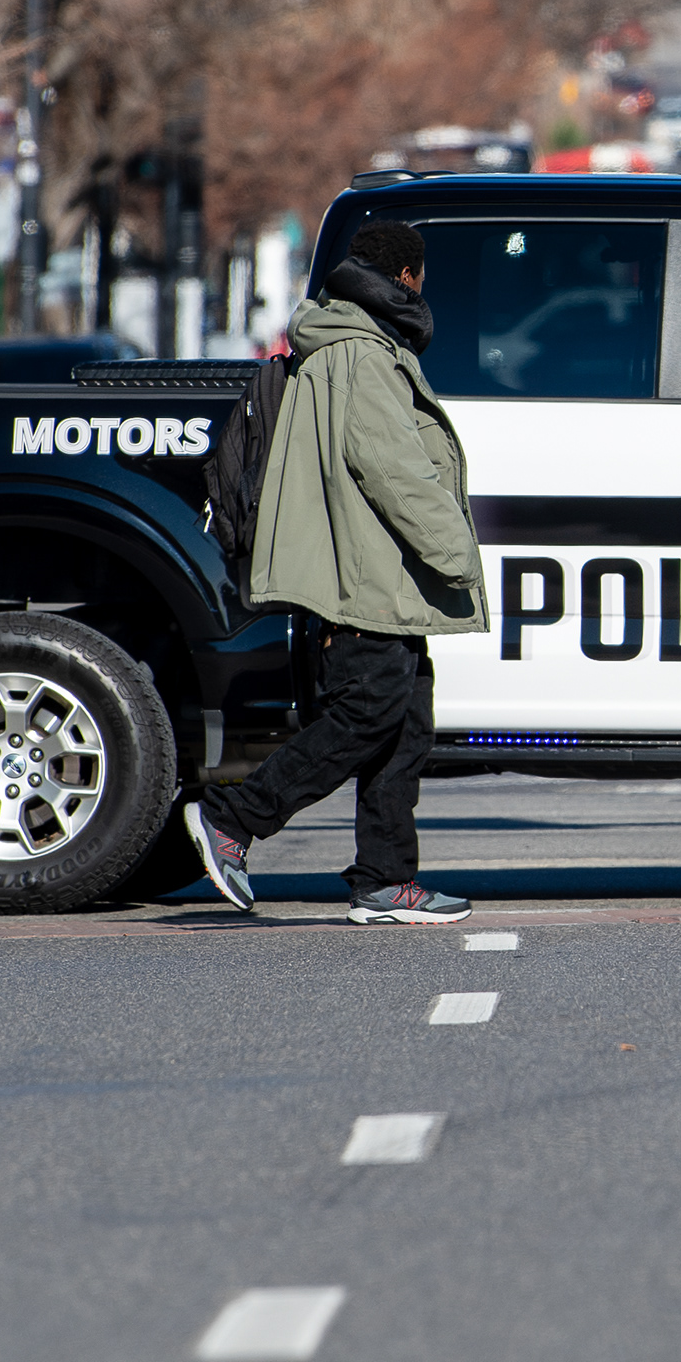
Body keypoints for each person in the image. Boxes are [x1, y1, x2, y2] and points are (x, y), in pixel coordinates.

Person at [183, 218, 483, 922]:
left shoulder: (356, 341)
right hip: (364, 574)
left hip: (383, 574)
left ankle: (385, 878)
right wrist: (457, 553)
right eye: (420, 277)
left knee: (405, 719)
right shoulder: (361, 353)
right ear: (406, 277)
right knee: (366, 712)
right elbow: (392, 469)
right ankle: (233, 818)